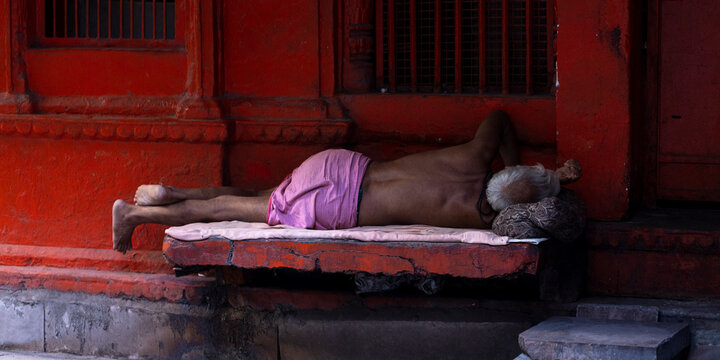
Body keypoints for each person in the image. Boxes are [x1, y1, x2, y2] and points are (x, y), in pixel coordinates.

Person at [112, 111, 581, 253]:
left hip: (338, 167)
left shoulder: (476, 155)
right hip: (335, 207)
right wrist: (553, 183)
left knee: (254, 197)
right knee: (228, 211)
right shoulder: (475, 214)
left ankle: (175, 193)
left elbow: (498, 118)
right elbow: (524, 216)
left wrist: (521, 164)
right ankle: (132, 214)